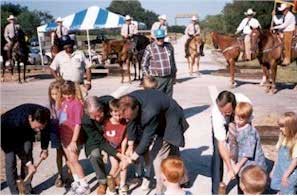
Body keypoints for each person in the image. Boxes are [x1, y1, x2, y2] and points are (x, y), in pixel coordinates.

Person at [119, 89, 189, 194]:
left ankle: (160, 191)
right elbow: (131, 122)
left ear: (137, 108)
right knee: (173, 151)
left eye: (130, 116)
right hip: (160, 114)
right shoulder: (128, 100)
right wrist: (130, 145)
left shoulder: (149, 112)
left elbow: (147, 138)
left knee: (158, 157)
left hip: (171, 119)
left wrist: (131, 159)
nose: (127, 119)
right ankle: (182, 179)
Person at [82, 96, 129, 194]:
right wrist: (117, 154)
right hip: (97, 137)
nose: (98, 119)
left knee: (121, 151)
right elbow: (100, 141)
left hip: (114, 133)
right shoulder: (86, 120)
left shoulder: (109, 103)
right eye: (94, 117)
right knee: (94, 155)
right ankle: (102, 182)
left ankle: (116, 177)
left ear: (102, 108)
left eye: (100, 115)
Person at [1, 104, 50, 194]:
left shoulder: (45, 114)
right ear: (30, 118)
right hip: (6, 132)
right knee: (10, 160)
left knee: (28, 151)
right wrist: (28, 163)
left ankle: (26, 189)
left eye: (41, 127)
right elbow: (18, 148)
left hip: (26, 130)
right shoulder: (15, 121)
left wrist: (44, 149)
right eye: (37, 127)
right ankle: (15, 192)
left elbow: (46, 131)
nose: (39, 131)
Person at [210, 90, 252, 194]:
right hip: (222, 123)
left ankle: (242, 189)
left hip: (241, 118)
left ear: (234, 106)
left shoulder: (245, 105)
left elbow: (247, 137)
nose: (224, 115)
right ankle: (217, 190)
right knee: (217, 152)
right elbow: (221, 142)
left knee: (242, 151)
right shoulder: (217, 113)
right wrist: (229, 168)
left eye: (227, 112)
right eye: (222, 112)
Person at [58, 81, 89, 194]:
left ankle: (85, 185)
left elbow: (77, 124)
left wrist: (74, 141)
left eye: (69, 93)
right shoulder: (64, 102)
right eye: (65, 94)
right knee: (69, 161)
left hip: (72, 138)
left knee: (75, 161)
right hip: (64, 137)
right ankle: (77, 182)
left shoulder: (77, 104)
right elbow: (62, 118)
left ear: (74, 91)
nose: (67, 96)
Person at [232, 102, 267, 193]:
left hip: (252, 165)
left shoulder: (249, 133)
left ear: (248, 119)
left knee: (250, 185)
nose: (238, 121)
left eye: (241, 119)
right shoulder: (239, 126)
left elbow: (247, 153)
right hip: (243, 161)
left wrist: (237, 166)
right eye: (236, 117)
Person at [48, 80, 71, 187]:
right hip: (56, 132)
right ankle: (60, 174)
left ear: (61, 92)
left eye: (56, 94)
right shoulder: (51, 105)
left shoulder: (65, 103)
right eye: (52, 94)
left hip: (65, 131)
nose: (54, 96)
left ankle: (70, 174)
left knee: (68, 155)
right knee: (59, 154)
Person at [141, 29, 177, 97]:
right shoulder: (150, 48)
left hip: (169, 77)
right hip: (157, 78)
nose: (160, 40)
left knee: (169, 98)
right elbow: (143, 64)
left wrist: (174, 75)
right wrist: (147, 76)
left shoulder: (169, 46)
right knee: (158, 98)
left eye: (162, 38)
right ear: (155, 38)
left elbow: (172, 61)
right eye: (158, 38)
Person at [103, 99, 128, 194]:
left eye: (120, 115)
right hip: (111, 150)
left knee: (124, 165)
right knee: (115, 165)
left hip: (121, 148)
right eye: (115, 115)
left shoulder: (124, 123)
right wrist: (104, 152)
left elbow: (125, 139)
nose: (118, 117)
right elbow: (104, 141)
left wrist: (123, 153)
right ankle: (111, 186)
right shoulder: (106, 123)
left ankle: (122, 185)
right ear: (111, 112)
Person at [270, 112, 297, 194]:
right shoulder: (282, 137)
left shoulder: (295, 141)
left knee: (287, 188)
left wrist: (286, 175)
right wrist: (273, 169)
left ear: (291, 127)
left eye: (282, 126)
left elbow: (295, 161)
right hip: (279, 168)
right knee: (278, 186)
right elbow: (278, 154)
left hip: (289, 172)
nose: (280, 129)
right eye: (279, 126)